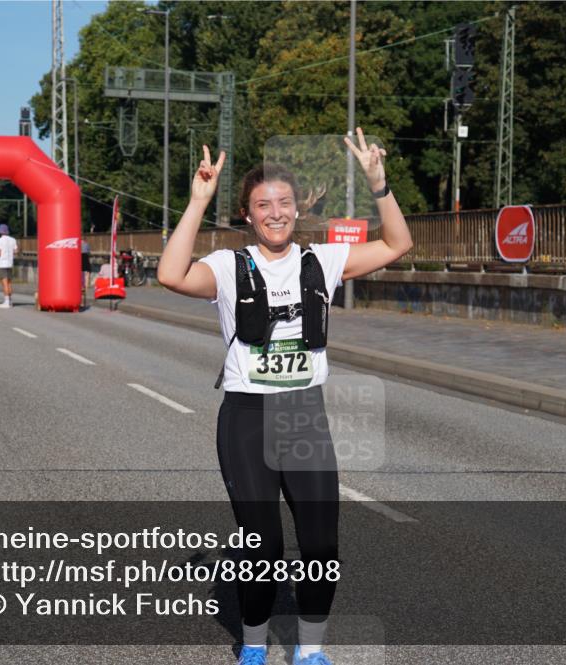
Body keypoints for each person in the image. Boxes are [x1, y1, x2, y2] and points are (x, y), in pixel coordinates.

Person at [157, 129, 412, 665]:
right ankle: (253, 647)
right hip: (247, 419)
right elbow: (171, 274)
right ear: (248, 215)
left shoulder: (323, 261)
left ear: (298, 209)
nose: (275, 213)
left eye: (284, 203)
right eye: (263, 205)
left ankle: (309, 651)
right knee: (264, 547)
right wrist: (198, 200)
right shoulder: (229, 267)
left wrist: (379, 184)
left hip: (304, 416)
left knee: (320, 546)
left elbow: (397, 245)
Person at [0, 223, 17, 308]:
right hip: (10, 263)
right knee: (9, 283)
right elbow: (15, 251)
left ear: (0, 232)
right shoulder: (13, 240)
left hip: (2, 263)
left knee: (4, 283)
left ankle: (6, 302)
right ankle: (10, 301)